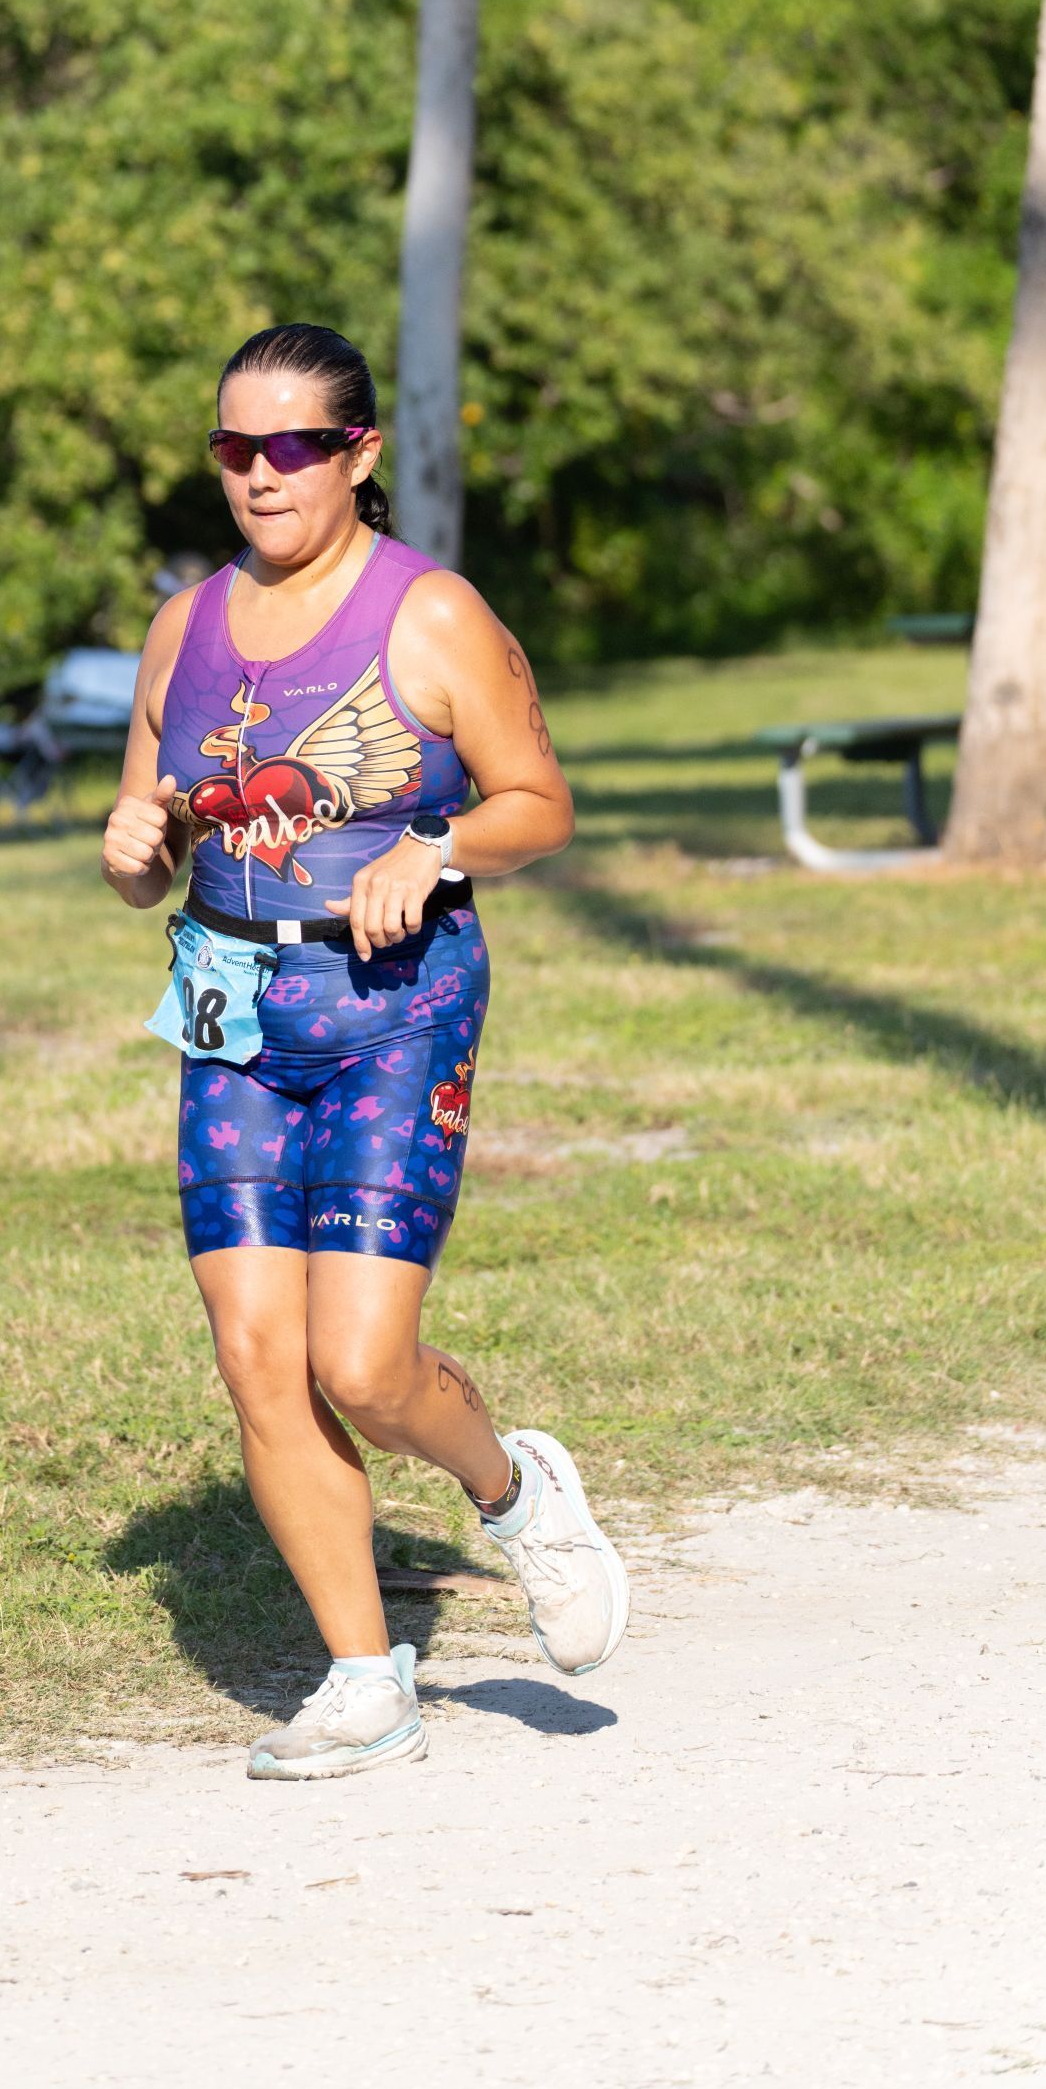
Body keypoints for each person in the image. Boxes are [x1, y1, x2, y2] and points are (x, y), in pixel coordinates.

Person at [101, 322, 628, 1781]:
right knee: (258, 1358)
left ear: (358, 453)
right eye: (234, 448)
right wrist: (133, 852)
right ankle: (360, 1680)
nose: (260, 476)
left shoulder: (430, 615)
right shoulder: (183, 628)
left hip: (397, 1009)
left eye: (292, 447)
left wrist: (436, 846)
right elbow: (154, 843)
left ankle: (515, 1494)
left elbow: (539, 803)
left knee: (364, 1366)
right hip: (233, 1016)